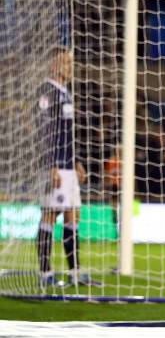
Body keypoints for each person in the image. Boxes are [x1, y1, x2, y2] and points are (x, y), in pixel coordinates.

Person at [36, 48, 98, 288]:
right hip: (55, 167)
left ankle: (74, 272)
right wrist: (50, 165)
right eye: (65, 62)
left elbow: (67, 135)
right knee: (50, 216)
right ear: (53, 64)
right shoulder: (47, 92)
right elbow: (44, 133)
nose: (70, 66)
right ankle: (45, 274)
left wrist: (77, 161)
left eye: (71, 62)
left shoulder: (65, 93)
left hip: (68, 166)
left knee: (73, 216)